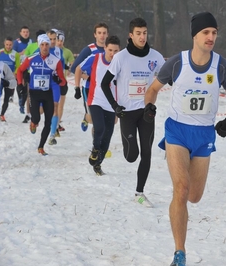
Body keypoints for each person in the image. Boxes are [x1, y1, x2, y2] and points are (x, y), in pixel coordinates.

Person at [144, 12, 226, 266]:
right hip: (177, 132)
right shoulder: (177, 63)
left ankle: (180, 210)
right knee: (182, 188)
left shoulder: (220, 66)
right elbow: (152, 90)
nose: (211, 37)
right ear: (194, 35)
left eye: (214, 33)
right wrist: (150, 107)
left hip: (204, 134)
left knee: (194, 196)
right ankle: (179, 252)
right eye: (206, 32)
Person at [101, 18, 165, 207]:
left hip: (146, 111)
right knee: (132, 156)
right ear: (131, 35)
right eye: (138, 33)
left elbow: (169, 77)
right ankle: (130, 153)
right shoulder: (121, 57)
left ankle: (139, 193)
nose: (142, 36)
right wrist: (115, 106)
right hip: (126, 113)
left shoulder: (155, 57)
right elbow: (105, 83)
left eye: (144, 33)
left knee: (147, 153)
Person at [16, 34, 66, 155]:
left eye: (47, 45)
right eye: (42, 45)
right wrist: (20, 84)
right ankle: (33, 122)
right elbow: (20, 70)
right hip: (34, 93)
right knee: (37, 118)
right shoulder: (31, 58)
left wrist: (58, 80)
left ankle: (41, 147)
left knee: (48, 121)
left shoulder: (56, 61)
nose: (44, 47)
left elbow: (63, 80)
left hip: (48, 93)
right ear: (39, 45)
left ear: (49, 45)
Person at [79, 35, 120, 175]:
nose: (113, 54)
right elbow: (79, 69)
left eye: (116, 51)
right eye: (110, 50)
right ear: (105, 48)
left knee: (108, 137)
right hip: (96, 100)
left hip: (112, 103)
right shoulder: (95, 58)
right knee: (100, 128)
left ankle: (98, 164)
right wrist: (78, 87)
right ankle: (95, 148)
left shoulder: (121, 63)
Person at [71, 22, 108, 132]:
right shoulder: (89, 49)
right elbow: (74, 68)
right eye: (99, 33)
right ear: (95, 35)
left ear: (107, 35)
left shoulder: (110, 49)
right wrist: (85, 77)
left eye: (104, 33)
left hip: (105, 89)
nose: (102, 35)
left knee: (103, 120)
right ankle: (86, 117)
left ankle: (98, 146)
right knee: (93, 118)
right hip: (89, 88)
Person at [21, 29, 46, 123]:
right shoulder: (31, 46)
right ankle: (28, 113)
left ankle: (40, 110)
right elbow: (25, 59)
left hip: (44, 74)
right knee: (30, 94)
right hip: (31, 73)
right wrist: (25, 73)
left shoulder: (47, 46)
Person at [55, 30, 74, 132]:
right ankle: (53, 122)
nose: (59, 42)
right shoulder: (51, 50)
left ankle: (57, 124)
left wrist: (70, 68)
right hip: (53, 81)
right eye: (58, 40)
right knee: (53, 104)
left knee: (60, 105)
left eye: (61, 40)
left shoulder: (67, 52)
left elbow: (72, 63)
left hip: (63, 81)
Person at [0, 37, 20, 121]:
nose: (8, 46)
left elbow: (18, 66)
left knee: (7, 98)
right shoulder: (0, 52)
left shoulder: (16, 54)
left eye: (10, 45)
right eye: (7, 44)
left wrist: (15, 74)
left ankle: (2, 114)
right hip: (0, 77)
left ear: (12, 45)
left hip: (9, 78)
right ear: (4, 44)